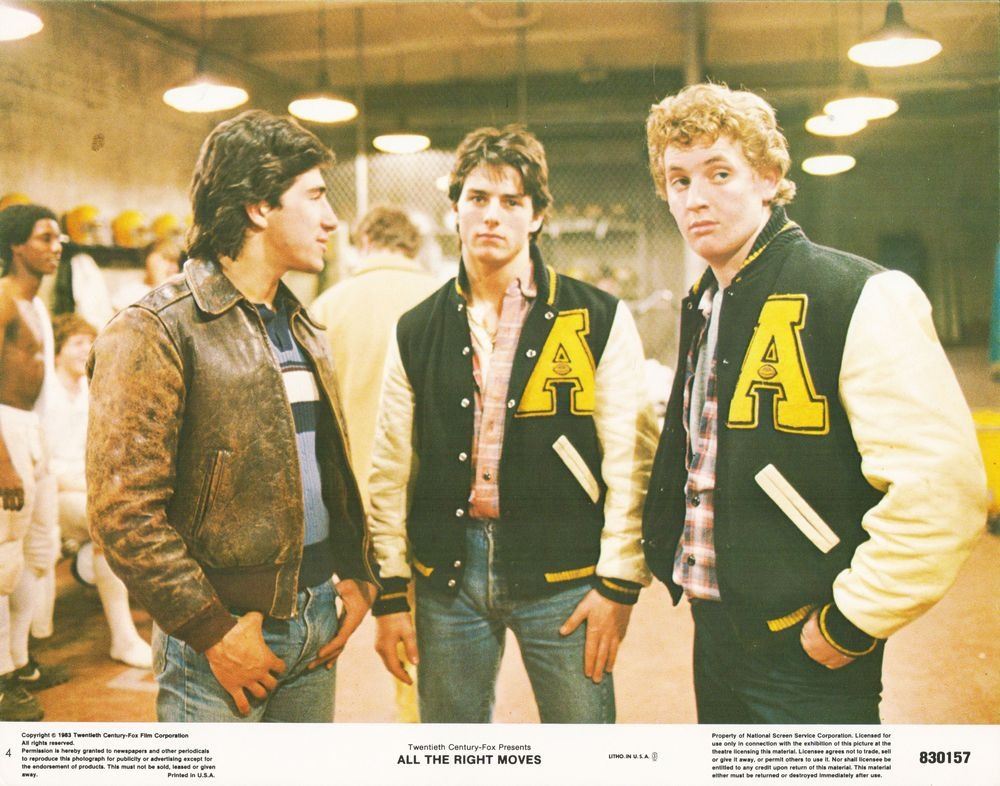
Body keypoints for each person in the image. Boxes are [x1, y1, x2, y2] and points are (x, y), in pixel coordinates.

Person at [641, 82, 988, 724]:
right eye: (679, 180)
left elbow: (944, 487)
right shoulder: (708, 303)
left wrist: (853, 620)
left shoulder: (858, 293)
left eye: (720, 173)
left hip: (807, 648)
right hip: (715, 633)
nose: (696, 198)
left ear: (768, 178)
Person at [87, 110, 378, 723]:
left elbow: (325, 466)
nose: (332, 219)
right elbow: (122, 511)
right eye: (315, 196)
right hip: (222, 638)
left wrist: (357, 570)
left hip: (316, 619)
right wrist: (211, 631)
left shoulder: (301, 324)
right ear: (259, 207)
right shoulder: (156, 329)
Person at [368, 125, 657, 723]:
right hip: (448, 576)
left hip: (566, 572)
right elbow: (389, 466)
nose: (492, 215)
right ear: (454, 209)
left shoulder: (597, 316)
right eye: (477, 198)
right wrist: (391, 590)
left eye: (512, 201)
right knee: (453, 752)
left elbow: (631, 459)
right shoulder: (416, 329)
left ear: (538, 216)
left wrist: (619, 581)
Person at [310, 205, 439, 722]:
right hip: (423, 494)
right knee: (425, 623)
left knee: (333, 624)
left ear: (362, 242)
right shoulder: (443, 298)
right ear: (413, 245)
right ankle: (417, 720)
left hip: (345, 501)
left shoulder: (327, 306)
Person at [43, 313, 152, 668]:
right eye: (76, 343)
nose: (85, 350)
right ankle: (123, 639)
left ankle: (149, 623)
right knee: (108, 520)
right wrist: (92, 486)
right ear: (57, 351)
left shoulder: (88, 392)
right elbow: (44, 464)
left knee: (133, 510)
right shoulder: (45, 393)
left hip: (86, 488)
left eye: (89, 343)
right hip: (53, 493)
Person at [0, 204, 70, 721]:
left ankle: (21, 662)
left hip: (34, 436)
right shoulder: (2, 300)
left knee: (36, 555)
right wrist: (2, 463)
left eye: (59, 237)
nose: (57, 246)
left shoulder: (36, 305)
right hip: (5, 434)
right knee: (2, 562)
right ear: (16, 245)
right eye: (45, 237)